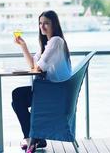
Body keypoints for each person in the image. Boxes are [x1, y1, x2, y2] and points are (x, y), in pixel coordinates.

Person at [11, 10, 72, 153]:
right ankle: (36, 138)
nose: (42, 26)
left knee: (17, 96)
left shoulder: (56, 41)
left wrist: (35, 65)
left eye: (46, 23)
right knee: (17, 98)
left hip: (55, 93)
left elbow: (37, 68)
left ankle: (33, 137)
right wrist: (23, 46)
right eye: (40, 23)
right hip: (52, 91)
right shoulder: (48, 43)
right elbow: (33, 65)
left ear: (54, 25)